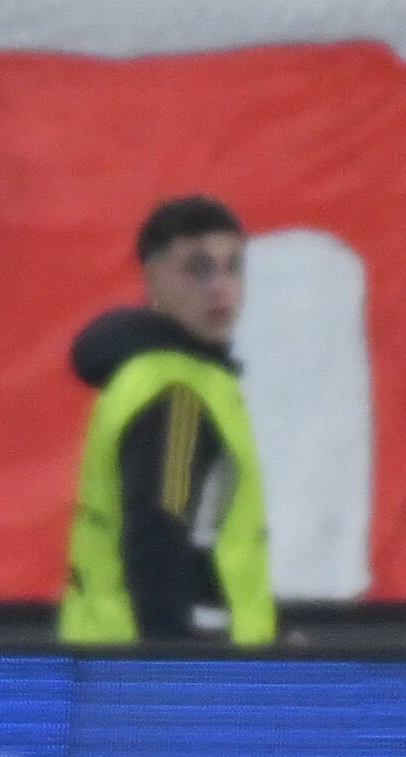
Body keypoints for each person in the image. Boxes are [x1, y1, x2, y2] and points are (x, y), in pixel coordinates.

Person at [59, 194, 276, 645]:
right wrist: (170, 677)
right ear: (152, 279)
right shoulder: (177, 393)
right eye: (197, 269)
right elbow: (158, 541)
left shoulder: (168, 374)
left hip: (131, 655)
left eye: (232, 266)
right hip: (167, 671)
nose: (219, 286)